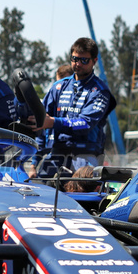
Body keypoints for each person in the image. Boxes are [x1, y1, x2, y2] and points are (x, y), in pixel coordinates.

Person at [36, 37, 116, 176]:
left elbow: (85, 123)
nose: (78, 63)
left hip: (85, 156)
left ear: (94, 61)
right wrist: (34, 161)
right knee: (41, 189)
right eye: (74, 59)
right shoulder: (59, 86)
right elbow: (41, 120)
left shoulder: (100, 91)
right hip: (56, 153)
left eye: (84, 60)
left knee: (82, 191)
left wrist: (53, 122)